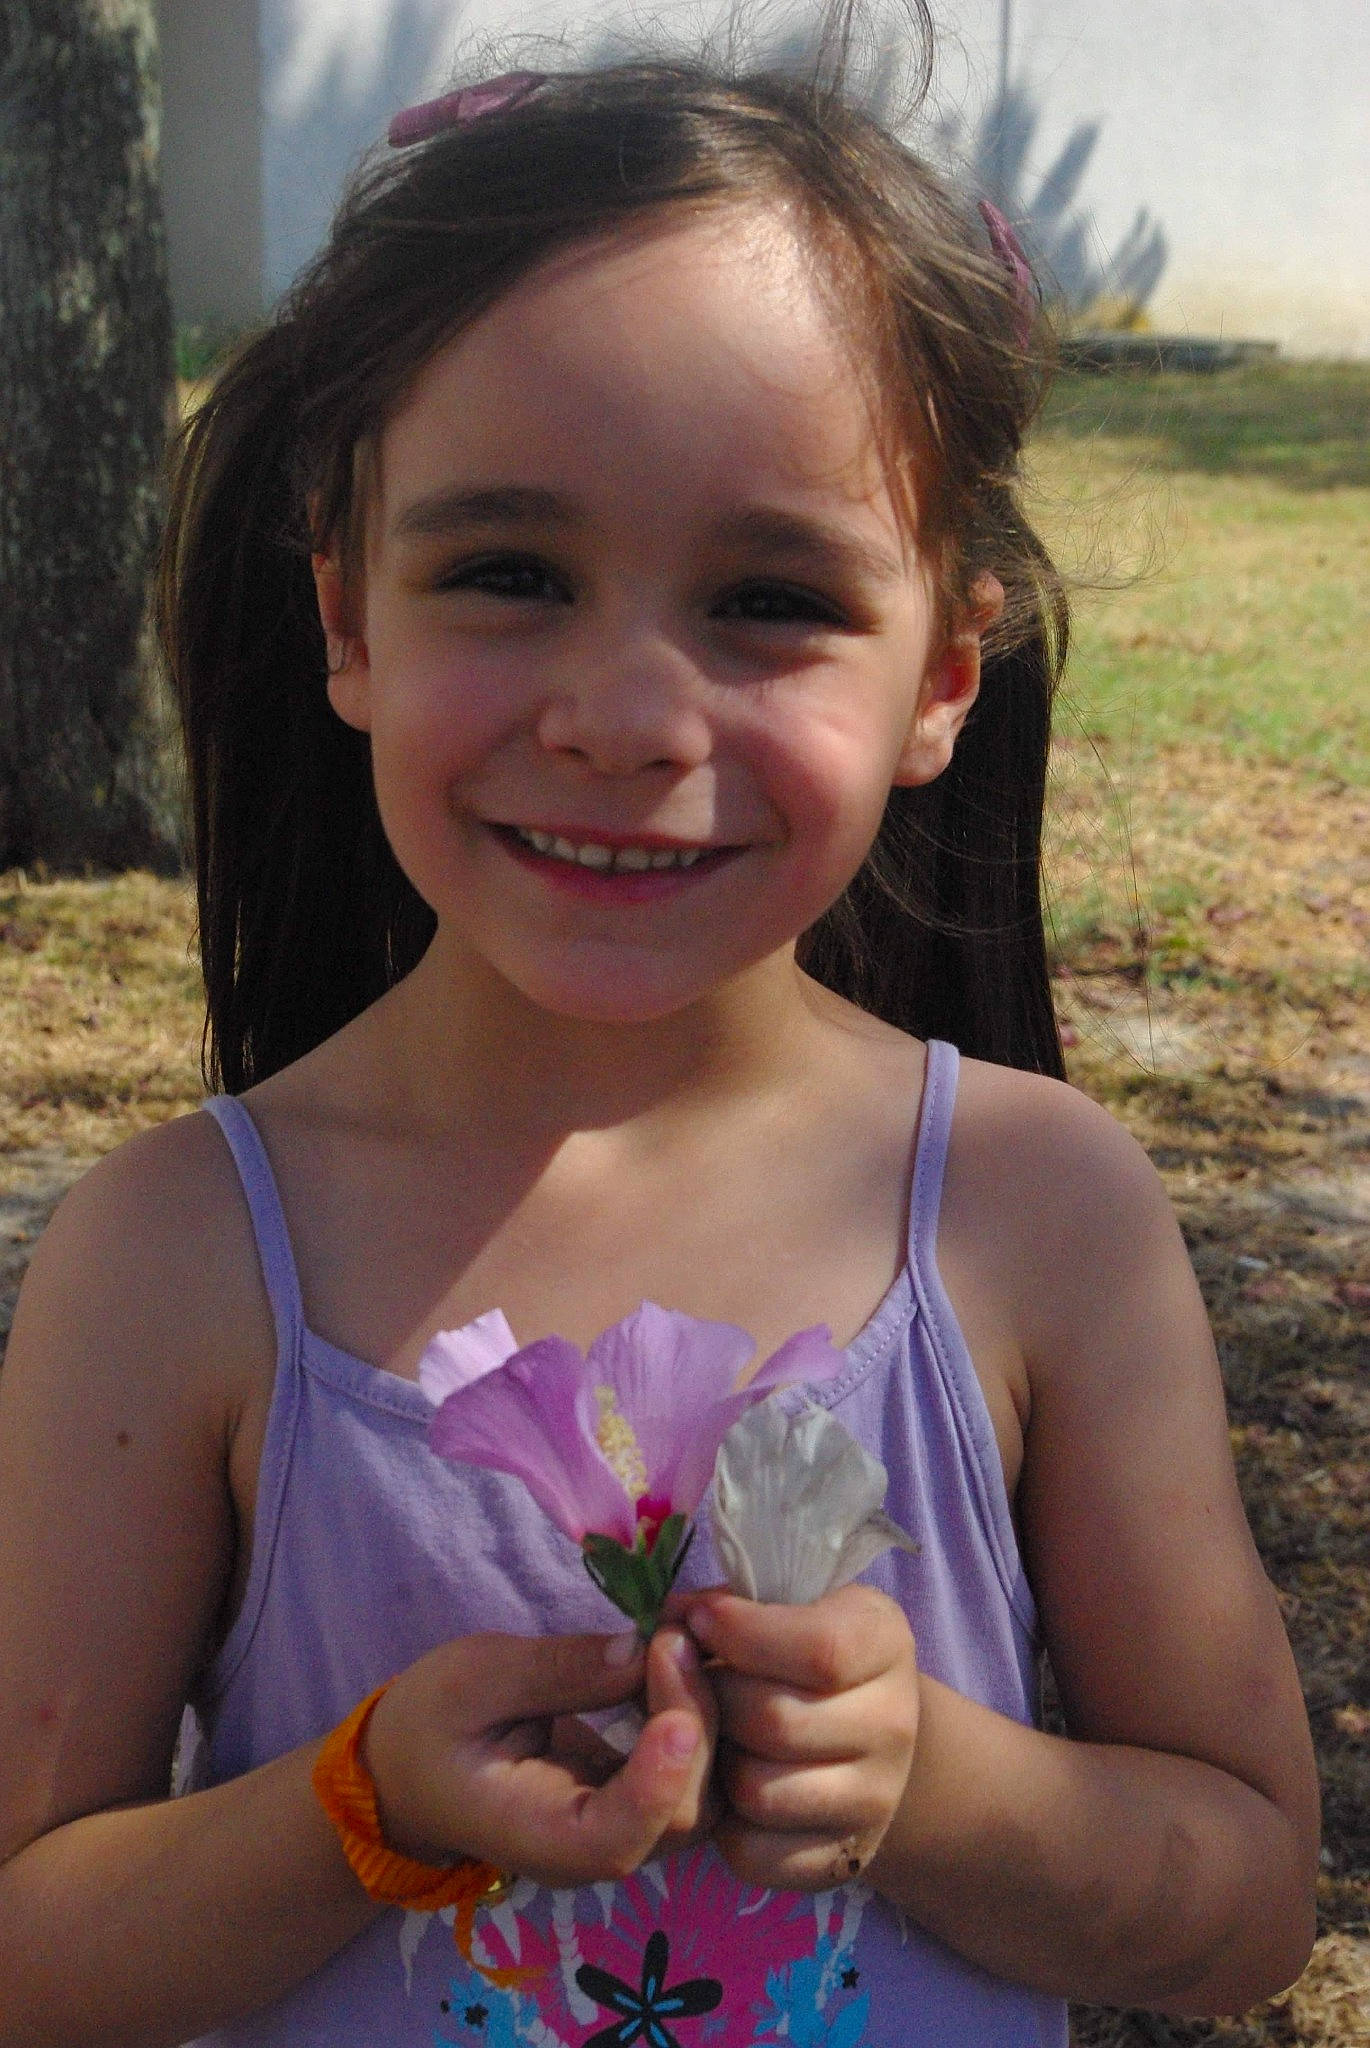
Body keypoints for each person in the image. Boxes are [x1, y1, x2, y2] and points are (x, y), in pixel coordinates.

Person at [0, 21, 1318, 2048]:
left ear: (940, 670)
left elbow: (1237, 1899)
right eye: (509, 572)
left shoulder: (1034, 1210)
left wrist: (933, 1783)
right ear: (349, 618)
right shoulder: (178, 1258)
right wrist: (354, 1810)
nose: (626, 716)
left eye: (769, 596)